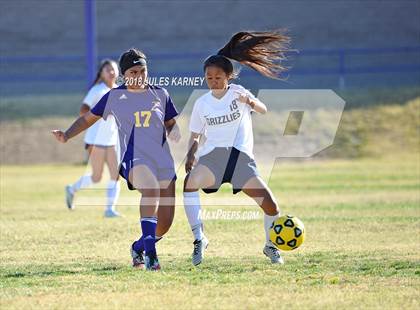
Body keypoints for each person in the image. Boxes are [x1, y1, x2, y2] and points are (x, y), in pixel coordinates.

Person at [52, 48, 180, 271]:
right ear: (124, 75)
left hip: (163, 159)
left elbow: (170, 123)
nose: (138, 76)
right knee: (150, 190)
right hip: (134, 158)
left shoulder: (161, 93)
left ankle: (139, 246)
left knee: (166, 222)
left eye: (142, 71)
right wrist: (67, 134)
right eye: (133, 72)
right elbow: (86, 119)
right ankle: (151, 255)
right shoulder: (115, 97)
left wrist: (176, 132)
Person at [183, 30, 291, 266]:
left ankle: (270, 246)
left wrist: (250, 102)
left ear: (228, 77)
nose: (213, 81)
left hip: (241, 159)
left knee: (271, 205)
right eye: (209, 77)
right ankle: (200, 239)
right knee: (189, 184)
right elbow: (195, 135)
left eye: (218, 77)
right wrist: (191, 153)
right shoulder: (202, 104)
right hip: (213, 158)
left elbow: (262, 109)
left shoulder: (238, 93)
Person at [65, 59, 122, 218]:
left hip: (111, 139)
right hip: (95, 139)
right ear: (101, 74)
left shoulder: (119, 90)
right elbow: (83, 111)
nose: (111, 72)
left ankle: (109, 209)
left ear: (117, 72)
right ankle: (71, 189)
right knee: (96, 177)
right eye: (107, 70)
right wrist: (101, 115)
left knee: (115, 174)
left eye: (113, 69)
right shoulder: (97, 90)